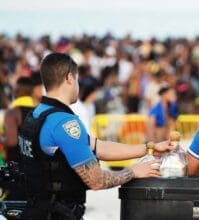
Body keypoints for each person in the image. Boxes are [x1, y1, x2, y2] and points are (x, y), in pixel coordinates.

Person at [17, 53, 174, 219]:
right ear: (70, 78)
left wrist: (149, 147)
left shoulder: (37, 114)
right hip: (55, 214)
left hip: (36, 210)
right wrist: (133, 172)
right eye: (77, 79)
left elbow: (99, 146)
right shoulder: (64, 123)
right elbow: (97, 180)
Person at [0, 76, 36, 200]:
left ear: (17, 91)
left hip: (15, 170)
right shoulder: (40, 111)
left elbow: (11, 141)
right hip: (36, 171)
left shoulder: (12, 112)